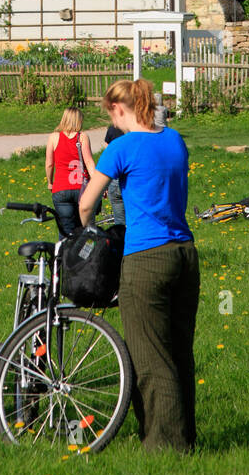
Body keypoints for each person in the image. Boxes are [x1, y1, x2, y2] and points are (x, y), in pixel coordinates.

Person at [79, 77, 199, 452]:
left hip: (146, 257)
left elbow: (86, 204)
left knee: (149, 357)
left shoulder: (122, 147)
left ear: (119, 109)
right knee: (179, 352)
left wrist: (86, 235)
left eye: (110, 115)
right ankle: (185, 437)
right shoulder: (174, 139)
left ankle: (164, 446)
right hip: (185, 254)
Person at [46, 106, 96, 235]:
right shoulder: (82, 137)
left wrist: (50, 182)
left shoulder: (54, 137)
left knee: (65, 230)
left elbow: (49, 164)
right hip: (82, 188)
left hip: (61, 188)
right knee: (85, 229)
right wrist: (96, 183)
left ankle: (63, 254)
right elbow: (89, 162)